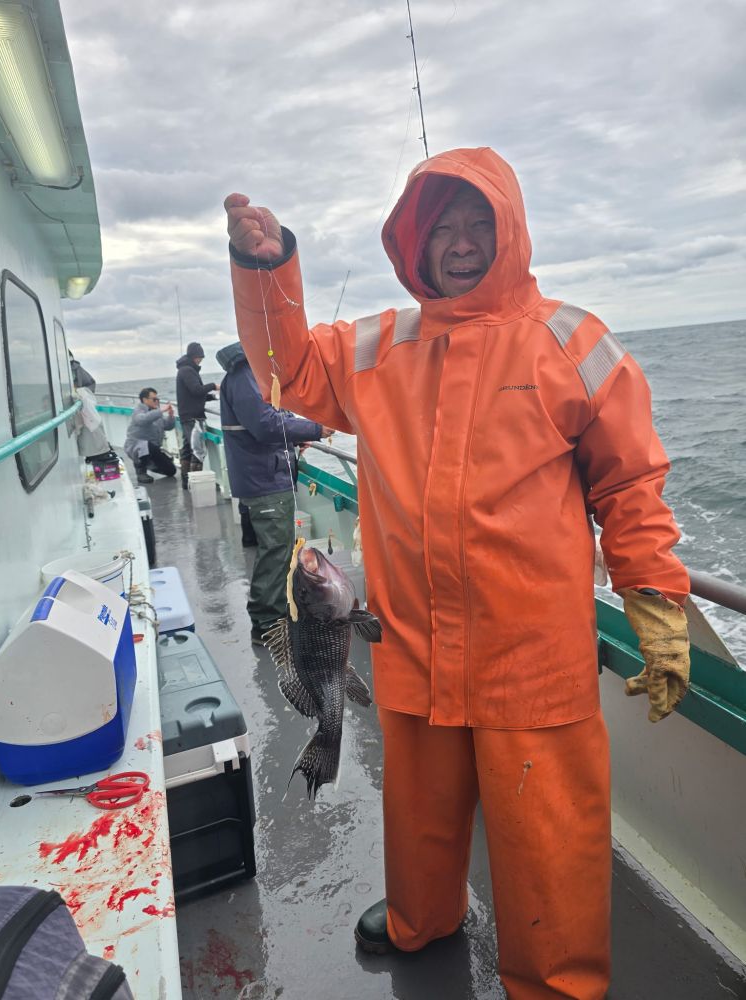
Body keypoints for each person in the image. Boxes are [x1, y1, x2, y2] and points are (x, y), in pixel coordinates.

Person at [223, 148, 691, 1000]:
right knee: (419, 817)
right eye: (445, 227)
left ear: (511, 233)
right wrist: (265, 268)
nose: (464, 243)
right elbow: (284, 366)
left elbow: (629, 483)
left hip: (532, 654)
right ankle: (420, 919)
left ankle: (555, 984)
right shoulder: (377, 345)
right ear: (416, 240)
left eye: (482, 224)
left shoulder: (573, 340)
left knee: (548, 844)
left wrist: (654, 601)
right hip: (413, 640)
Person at [215, 341, 332, 643]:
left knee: (278, 550)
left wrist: (293, 437)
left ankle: (275, 613)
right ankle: (267, 624)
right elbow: (265, 425)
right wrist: (317, 429)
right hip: (264, 480)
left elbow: (273, 418)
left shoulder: (249, 375)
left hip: (265, 475)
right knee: (275, 552)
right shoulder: (246, 375)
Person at [175, 341, 219, 487]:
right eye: (200, 356)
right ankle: (196, 485)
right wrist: (213, 386)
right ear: (195, 356)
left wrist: (213, 397)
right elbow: (196, 390)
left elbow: (193, 394)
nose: (201, 359)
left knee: (188, 449)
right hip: (193, 417)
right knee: (198, 451)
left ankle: (186, 482)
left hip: (187, 415)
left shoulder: (184, 370)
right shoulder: (187, 370)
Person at [124, 387, 177, 484]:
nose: (157, 402)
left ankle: (150, 465)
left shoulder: (155, 412)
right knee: (146, 445)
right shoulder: (138, 411)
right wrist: (160, 411)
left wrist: (171, 416)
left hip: (154, 449)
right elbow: (142, 420)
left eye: (157, 399)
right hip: (136, 447)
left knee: (171, 471)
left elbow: (168, 426)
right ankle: (141, 471)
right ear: (145, 400)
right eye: (154, 399)